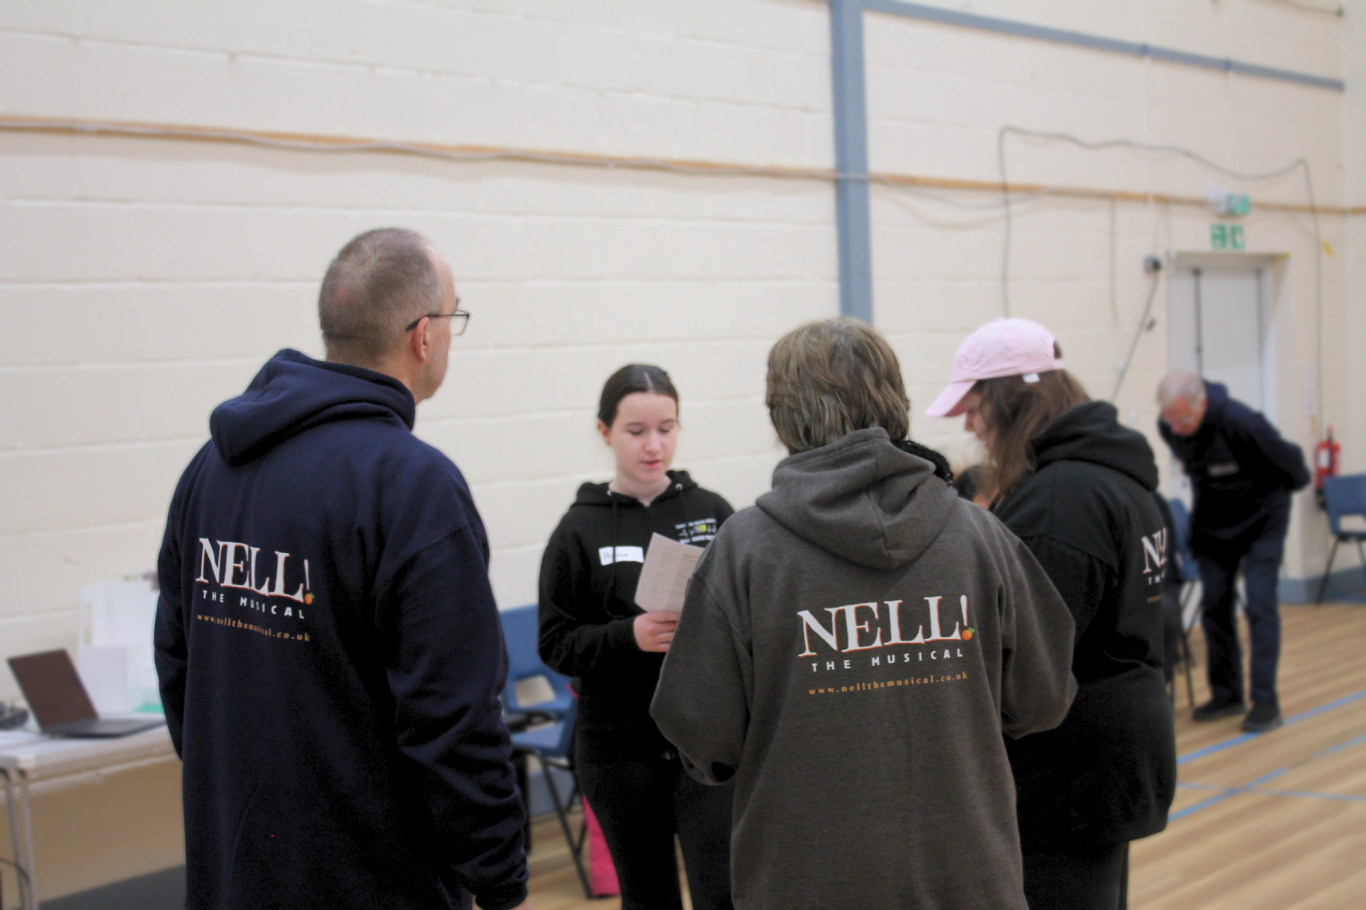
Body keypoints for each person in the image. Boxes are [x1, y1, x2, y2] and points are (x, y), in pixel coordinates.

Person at [154, 228, 529, 910]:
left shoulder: (209, 470)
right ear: (423, 336)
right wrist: (499, 876)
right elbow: (453, 718)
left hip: (235, 871)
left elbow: (180, 666)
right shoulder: (413, 486)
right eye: (455, 318)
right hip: (372, 881)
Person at [651, 319, 1078, 910]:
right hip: (968, 875)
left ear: (783, 414)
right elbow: (1042, 699)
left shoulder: (744, 550)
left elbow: (705, 736)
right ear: (895, 402)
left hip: (804, 881)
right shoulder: (980, 536)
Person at [927, 317, 1176, 910]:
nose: (968, 423)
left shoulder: (1061, 499)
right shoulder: (1111, 477)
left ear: (1010, 398)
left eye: (974, 404)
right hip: (1113, 746)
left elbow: (1030, 656)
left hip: (1071, 768)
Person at [538, 364, 736, 910]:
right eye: (636, 431)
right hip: (618, 750)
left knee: (723, 893)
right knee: (649, 898)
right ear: (605, 433)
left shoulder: (713, 512)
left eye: (667, 428)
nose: (655, 445)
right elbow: (555, 643)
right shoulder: (578, 529)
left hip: (705, 744)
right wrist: (630, 636)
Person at [1157, 372, 1310, 732]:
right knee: (1214, 606)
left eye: (1184, 420)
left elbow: (1296, 471)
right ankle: (1227, 694)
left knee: (1259, 604)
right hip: (1213, 526)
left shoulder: (1243, 423)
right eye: (1170, 420)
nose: (1176, 429)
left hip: (1262, 523)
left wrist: (1257, 497)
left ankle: (1265, 702)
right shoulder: (1170, 427)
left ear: (1202, 404)